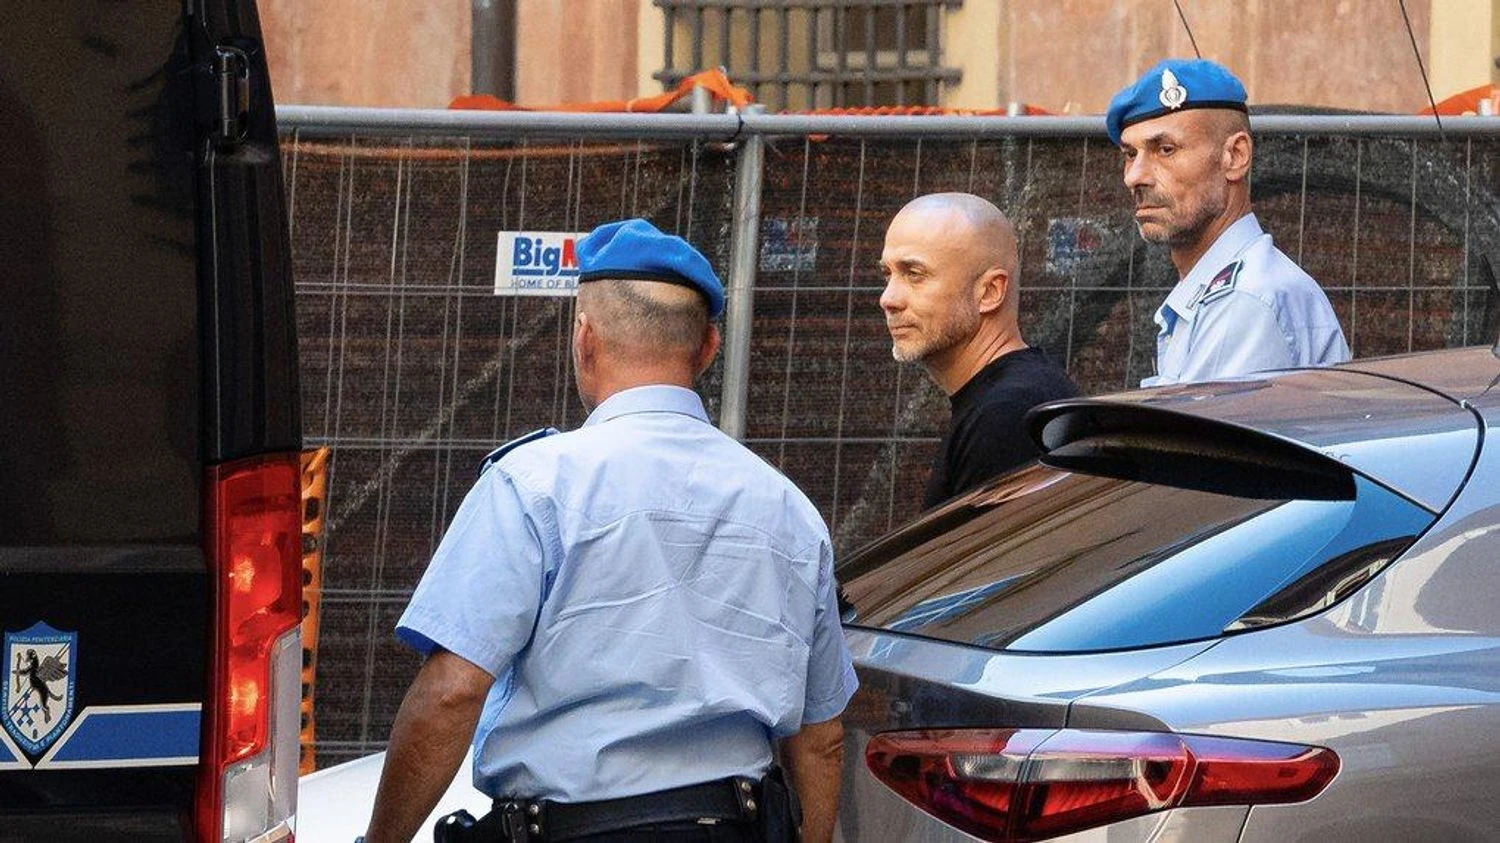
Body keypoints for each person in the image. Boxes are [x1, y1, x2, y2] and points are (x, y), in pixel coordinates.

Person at [363, 219, 857, 843]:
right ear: (708, 347)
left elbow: (452, 693)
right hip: (736, 824)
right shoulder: (789, 508)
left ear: (584, 339)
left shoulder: (533, 486)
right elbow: (821, 737)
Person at [1108, 57, 1351, 387]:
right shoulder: (1228, 289)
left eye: (1165, 150)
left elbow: (1194, 423)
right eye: (1130, 155)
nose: (1134, 177)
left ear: (1235, 156)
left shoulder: (1244, 300)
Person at [879, 192, 1079, 509]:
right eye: (887, 275)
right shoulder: (1009, 400)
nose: (888, 299)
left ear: (989, 292)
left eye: (914, 274)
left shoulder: (1008, 414)